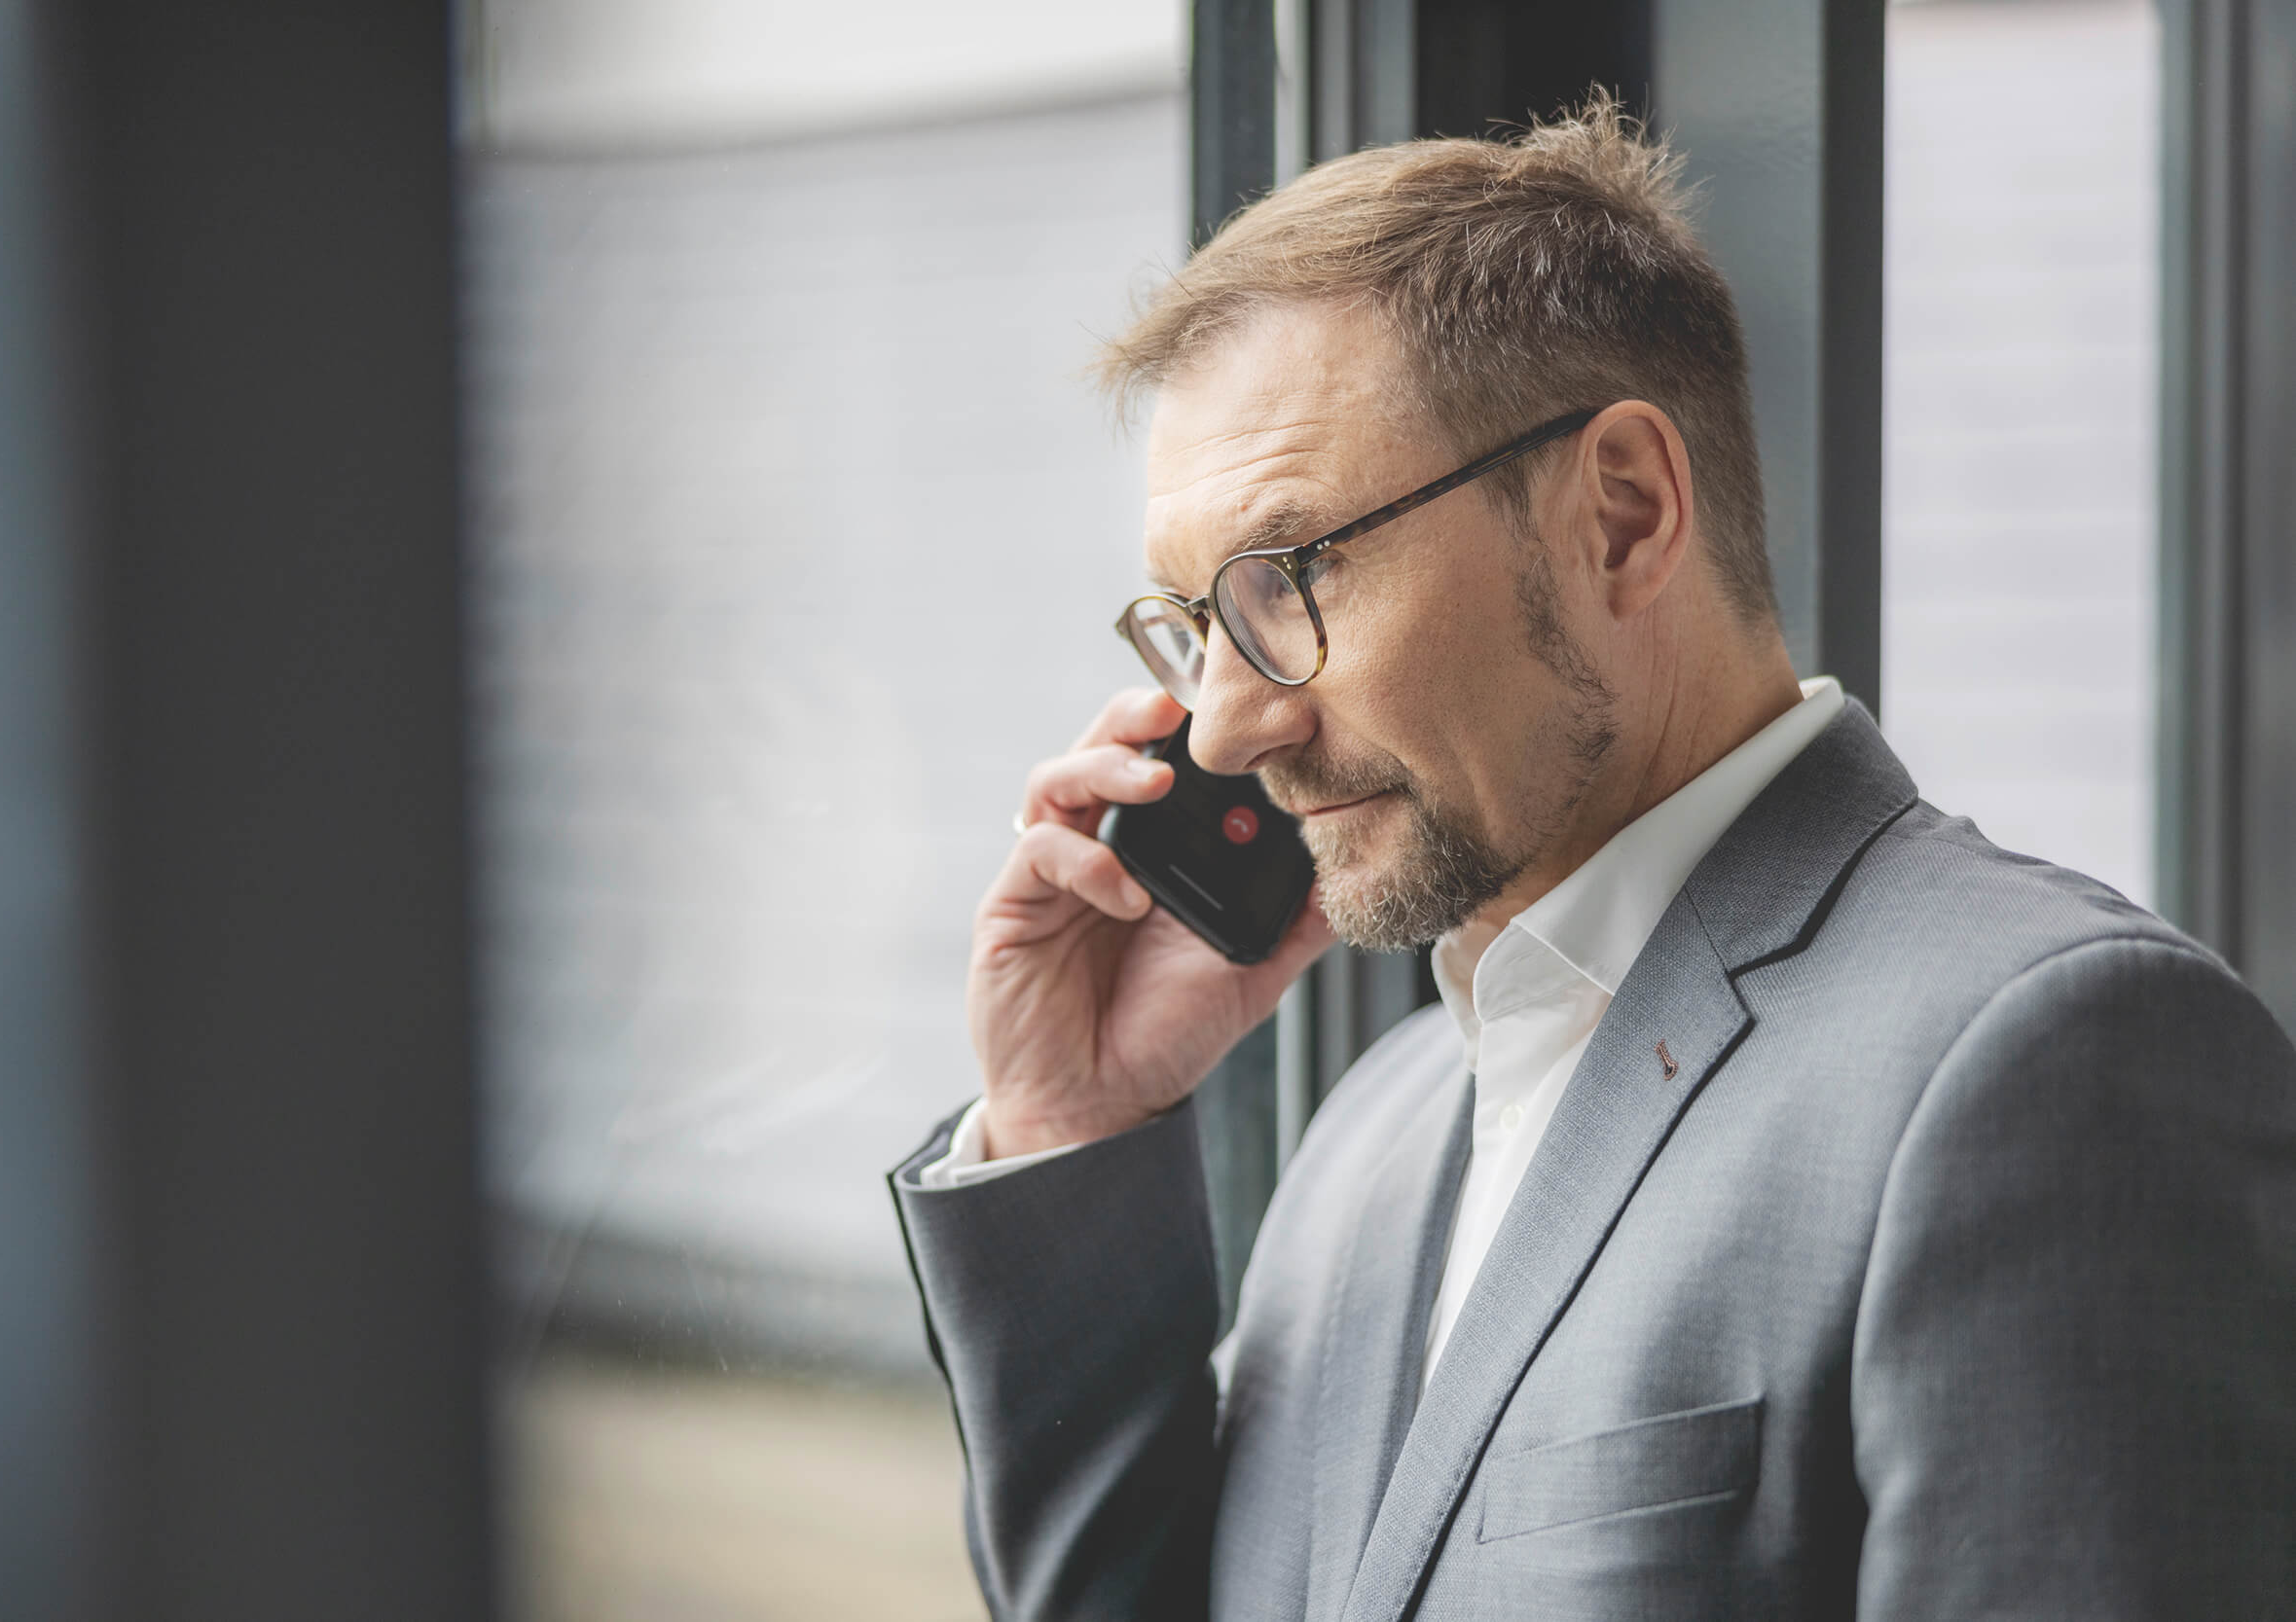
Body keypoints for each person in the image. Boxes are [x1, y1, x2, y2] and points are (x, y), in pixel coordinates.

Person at [887, 95, 2296, 1620]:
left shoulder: (2053, 1063)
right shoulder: (1380, 1128)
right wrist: (1069, 1124)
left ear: (1622, 514)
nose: (1223, 729)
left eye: (1284, 580)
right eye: (1194, 623)